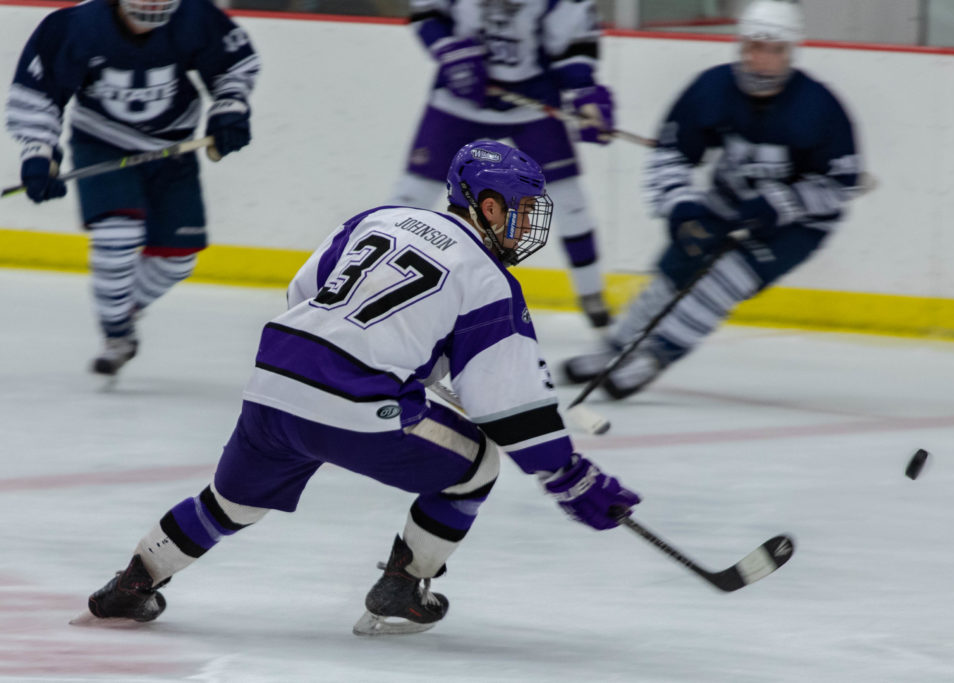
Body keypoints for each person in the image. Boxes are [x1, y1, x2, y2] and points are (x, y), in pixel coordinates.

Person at [76, 140, 641, 636]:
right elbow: (509, 407)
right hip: (358, 405)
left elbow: (304, 293)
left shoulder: (379, 218)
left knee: (231, 503)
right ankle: (403, 586)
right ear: (487, 206)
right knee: (475, 467)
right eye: (517, 211)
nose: (524, 226)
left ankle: (133, 581)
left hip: (274, 380)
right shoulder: (490, 279)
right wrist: (570, 476)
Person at [563, 0, 863, 399]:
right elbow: (670, 155)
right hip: (731, 199)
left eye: (773, 50)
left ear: (791, 52)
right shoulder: (712, 88)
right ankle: (615, 347)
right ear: (740, 47)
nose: (760, 59)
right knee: (675, 267)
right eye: (753, 47)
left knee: (726, 280)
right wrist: (681, 207)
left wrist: (780, 204)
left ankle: (655, 356)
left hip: (798, 223)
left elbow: (839, 185)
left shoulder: (819, 107)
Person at [4, 0, 259, 376]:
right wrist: (38, 152)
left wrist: (230, 107)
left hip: (172, 148)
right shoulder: (75, 26)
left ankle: (122, 310)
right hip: (101, 141)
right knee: (117, 232)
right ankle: (116, 334)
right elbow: (40, 93)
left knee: (177, 259)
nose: (147, 19)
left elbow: (233, 67)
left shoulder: (196, 17)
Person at [392, 0, 616, 328]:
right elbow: (427, 12)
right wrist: (449, 51)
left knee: (571, 201)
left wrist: (585, 94)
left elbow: (572, 45)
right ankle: (371, 276)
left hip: (533, 103)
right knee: (412, 195)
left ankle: (591, 293)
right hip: (460, 98)